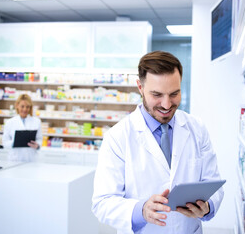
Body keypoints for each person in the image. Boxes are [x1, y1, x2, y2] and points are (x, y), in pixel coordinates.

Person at [92, 51, 224, 234]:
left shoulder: (197, 129)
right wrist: (141, 210)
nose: (167, 104)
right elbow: (102, 202)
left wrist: (207, 206)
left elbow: (213, 184)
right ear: (140, 87)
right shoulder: (118, 136)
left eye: (174, 94)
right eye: (157, 94)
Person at [2, 94, 42, 162]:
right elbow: (5, 142)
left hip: (31, 159)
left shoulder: (36, 121)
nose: (25, 109)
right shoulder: (10, 122)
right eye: (22, 106)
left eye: (27, 107)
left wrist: (37, 145)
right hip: (15, 159)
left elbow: (39, 139)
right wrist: (15, 142)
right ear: (17, 105)